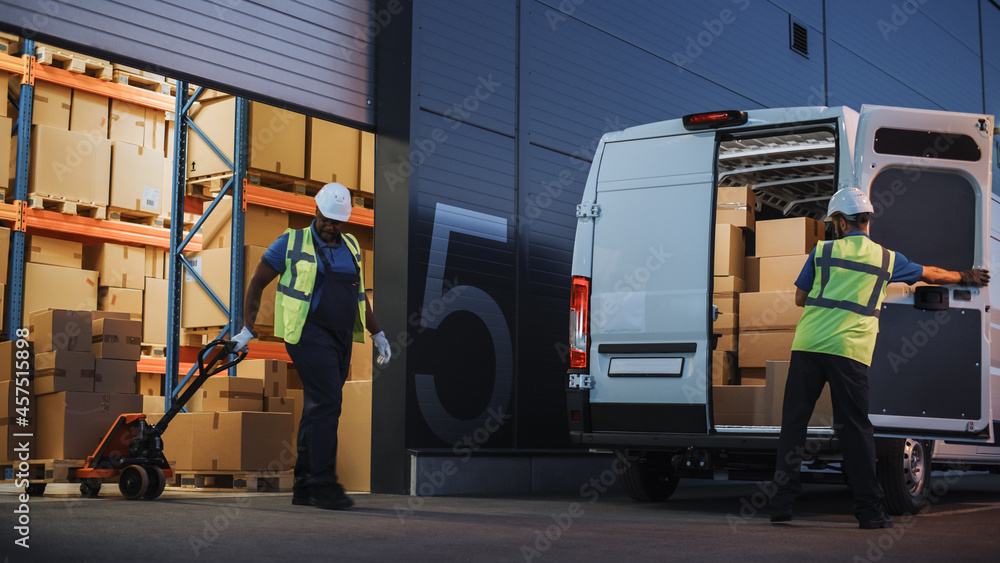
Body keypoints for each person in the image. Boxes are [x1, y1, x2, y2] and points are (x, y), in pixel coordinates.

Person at [768, 187, 989, 529]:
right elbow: (930, 273)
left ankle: (781, 504)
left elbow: (800, 298)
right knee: (855, 430)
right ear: (867, 220)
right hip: (850, 352)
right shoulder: (886, 258)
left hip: (808, 346)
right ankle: (870, 512)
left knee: (794, 425)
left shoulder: (821, 252)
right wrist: (966, 277)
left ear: (840, 223)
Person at [233, 182, 391, 510]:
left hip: (341, 337)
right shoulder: (290, 242)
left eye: (338, 220)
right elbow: (257, 282)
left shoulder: (350, 246)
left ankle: (304, 485)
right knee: (329, 402)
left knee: (317, 405)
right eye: (328, 218)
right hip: (306, 334)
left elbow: (358, 295)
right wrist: (248, 328)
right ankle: (323, 484)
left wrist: (378, 334)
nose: (332, 226)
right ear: (316, 210)